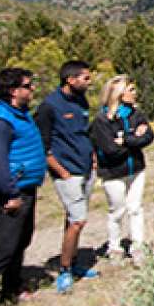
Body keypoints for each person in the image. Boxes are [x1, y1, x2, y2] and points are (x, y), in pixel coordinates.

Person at [0, 68, 45, 306]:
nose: (32, 89)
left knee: (20, 243)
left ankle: (10, 291)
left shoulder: (20, 114)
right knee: (3, 251)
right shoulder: (0, 120)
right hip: (10, 194)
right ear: (14, 91)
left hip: (25, 189)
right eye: (28, 85)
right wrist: (11, 194)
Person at [35, 60, 98, 293]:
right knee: (78, 221)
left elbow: (83, 131)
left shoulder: (81, 101)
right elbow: (42, 144)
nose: (89, 83)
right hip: (67, 172)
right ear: (70, 80)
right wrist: (61, 171)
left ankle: (73, 262)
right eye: (85, 78)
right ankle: (64, 271)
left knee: (73, 219)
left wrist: (92, 157)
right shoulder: (49, 106)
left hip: (85, 169)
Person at [90, 75, 154, 266]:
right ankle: (115, 247)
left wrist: (125, 139)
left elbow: (149, 136)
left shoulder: (136, 113)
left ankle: (137, 246)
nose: (135, 93)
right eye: (131, 89)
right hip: (113, 172)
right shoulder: (101, 120)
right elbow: (110, 150)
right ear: (118, 94)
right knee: (117, 210)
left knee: (135, 208)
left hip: (136, 169)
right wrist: (134, 138)